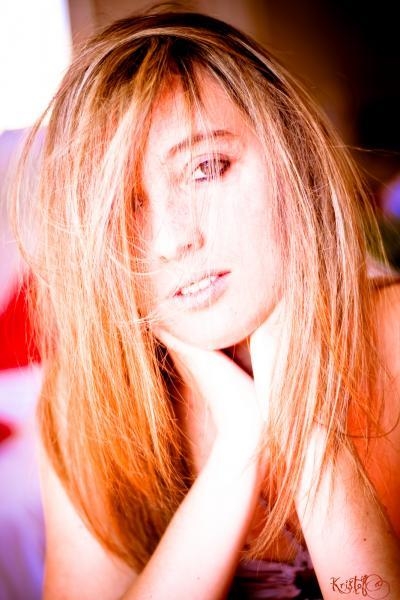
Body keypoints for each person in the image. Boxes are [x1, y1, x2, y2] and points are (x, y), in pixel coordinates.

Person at [14, 4, 400, 599]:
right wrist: (239, 445)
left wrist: (307, 423)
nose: (173, 240)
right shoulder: (85, 401)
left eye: (206, 168)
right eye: (126, 207)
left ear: (291, 157)